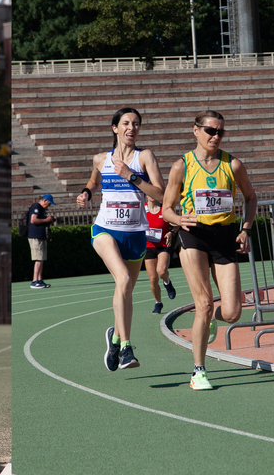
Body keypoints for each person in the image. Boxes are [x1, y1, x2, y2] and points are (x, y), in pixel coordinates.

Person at [161, 109, 257, 391]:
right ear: (195, 130)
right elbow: (166, 208)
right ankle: (199, 371)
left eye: (220, 132)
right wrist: (179, 220)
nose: (216, 136)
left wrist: (246, 229)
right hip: (194, 236)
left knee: (232, 312)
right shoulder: (182, 166)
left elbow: (251, 198)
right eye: (210, 131)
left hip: (225, 235)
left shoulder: (233, 164)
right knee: (203, 304)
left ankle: (210, 320)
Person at [77, 107, 165, 369]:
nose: (132, 128)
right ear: (115, 128)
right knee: (123, 279)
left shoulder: (145, 157)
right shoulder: (100, 159)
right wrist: (86, 193)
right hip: (105, 230)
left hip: (136, 234)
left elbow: (160, 195)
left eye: (136, 123)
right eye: (126, 123)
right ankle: (126, 348)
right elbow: (94, 182)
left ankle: (114, 337)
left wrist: (131, 176)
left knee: (125, 292)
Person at [143, 195, 177, 313]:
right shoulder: (142, 209)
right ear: (146, 194)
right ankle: (158, 303)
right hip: (148, 247)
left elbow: (177, 223)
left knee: (161, 271)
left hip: (163, 246)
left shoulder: (165, 210)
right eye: (149, 192)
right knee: (153, 279)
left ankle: (167, 282)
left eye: (154, 192)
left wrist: (171, 233)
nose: (152, 195)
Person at [27, 193, 55, 289]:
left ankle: (39, 280)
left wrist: (48, 220)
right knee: (38, 259)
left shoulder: (42, 209)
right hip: (35, 236)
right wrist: (47, 220)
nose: (49, 205)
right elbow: (33, 220)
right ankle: (34, 281)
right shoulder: (36, 206)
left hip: (41, 236)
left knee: (41, 258)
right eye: (49, 203)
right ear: (44, 200)